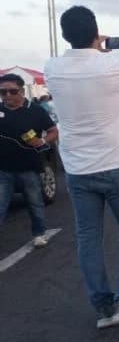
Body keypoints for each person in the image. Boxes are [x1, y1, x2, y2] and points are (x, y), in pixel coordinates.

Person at [44, 5, 119, 329]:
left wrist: (99, 43)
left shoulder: (53, 68)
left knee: (88, 237)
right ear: (96, 33)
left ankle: (102, 306)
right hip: (117, 164)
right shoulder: (118, 63)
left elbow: (85, 51)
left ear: (64, 35)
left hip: (78, 169)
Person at [0, 74, 58, 248]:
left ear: (22, 91)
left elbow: (53, 131)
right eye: (3, 92)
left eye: (12, 91)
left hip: (29, 167)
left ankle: (39, 234)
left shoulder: (36, 110)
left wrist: (42, 141)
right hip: (3, 169)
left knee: (35, 203)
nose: (8, 95)